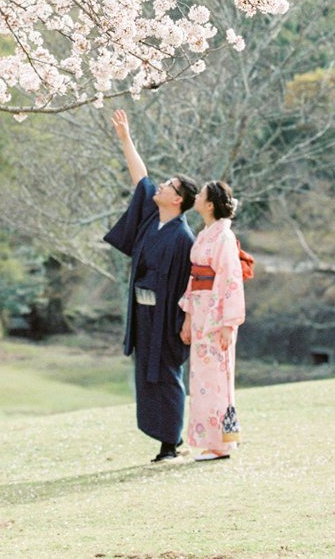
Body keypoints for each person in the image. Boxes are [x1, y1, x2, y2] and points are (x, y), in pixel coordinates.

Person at [102, 109, 197, 463]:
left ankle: (171, 442)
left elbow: (191, 284)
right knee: (146, 373)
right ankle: (162, 439)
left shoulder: (184, 237)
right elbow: (141, 179)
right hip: (144, 313)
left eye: (168, 186)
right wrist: (126, 139)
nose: (160, 186)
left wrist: (186, 321)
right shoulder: (151, 221)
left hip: (168, 319)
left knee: (167, 374)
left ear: (178, 200)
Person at [178, 180, 246, 461]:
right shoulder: (206, 233)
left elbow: (231, 279)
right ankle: (208, 440)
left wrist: (228, 324)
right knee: (202, 378)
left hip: (217, 317)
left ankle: (220, 444)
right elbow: (195, 278)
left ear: (209, 205)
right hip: (201, 312)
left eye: (201, 195)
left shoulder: (223, 237)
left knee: (217, 378)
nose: (195, 197)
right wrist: (188, 317)